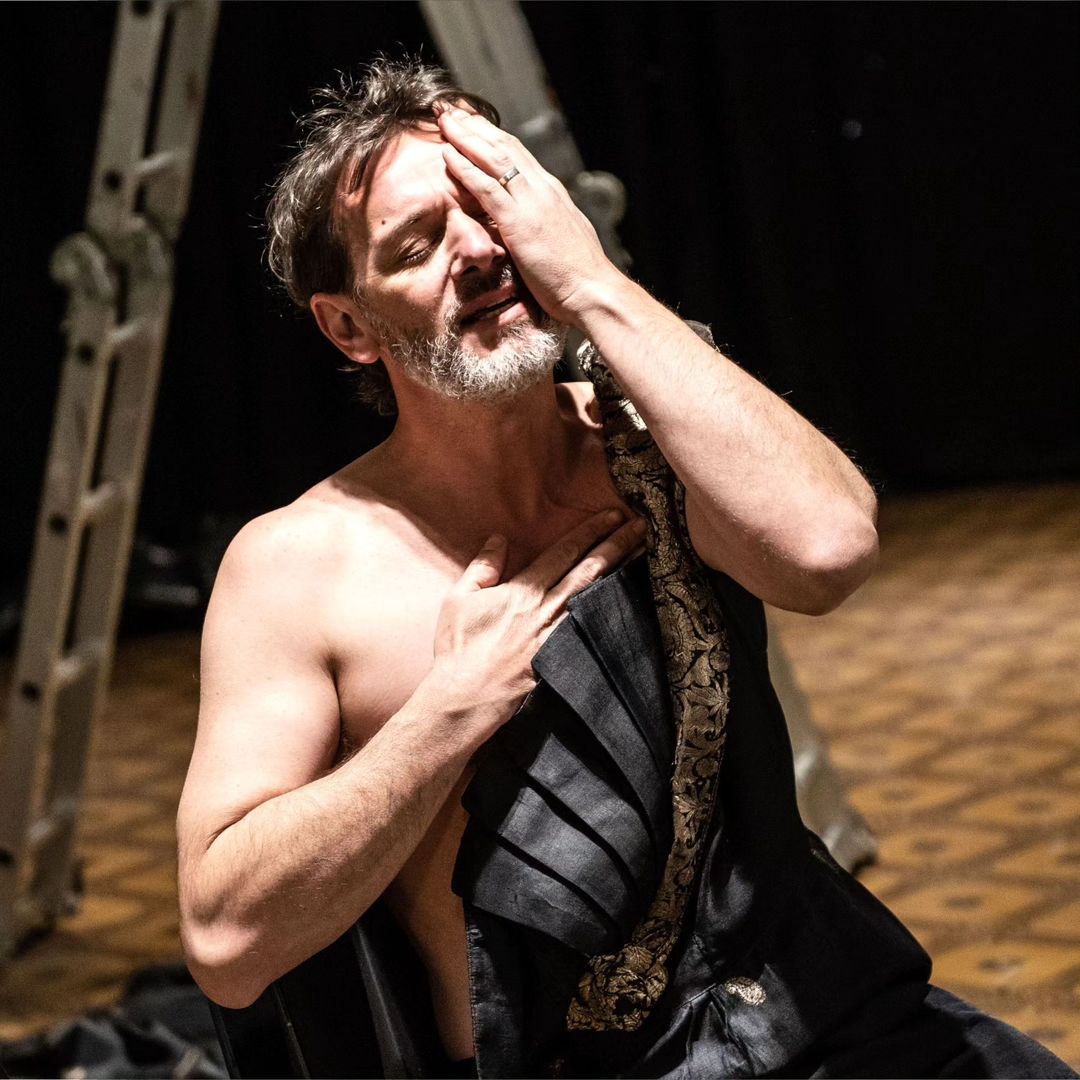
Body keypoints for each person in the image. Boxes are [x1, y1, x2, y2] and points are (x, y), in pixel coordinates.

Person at [176, 60, 1075, 1079]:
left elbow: (829, 551)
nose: (479, 250)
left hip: (815, 1008)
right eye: (418, 245)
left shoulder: (654, 435)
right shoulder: (299, 566)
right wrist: (447, 714)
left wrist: (595, 284)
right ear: (349, 326)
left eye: (494, 207)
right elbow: (226, 942)